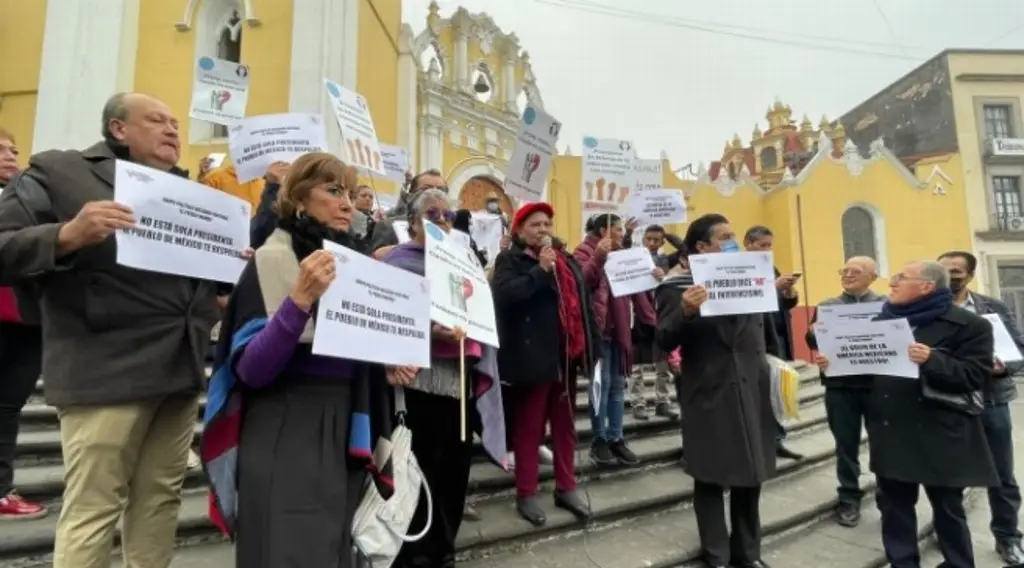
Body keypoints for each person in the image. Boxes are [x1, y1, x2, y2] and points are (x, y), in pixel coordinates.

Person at [0, 92, 219, 567]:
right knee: (93, 508)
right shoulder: (61, 173)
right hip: (104, 369)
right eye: (157, 120)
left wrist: (223, 275)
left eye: (176, 123)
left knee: (160, 501)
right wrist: (65, 235)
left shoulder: (188, 194)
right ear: (119, 129)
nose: (172, 131)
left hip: (177, 371)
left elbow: (198, 285)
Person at [202, 152, 406, 567]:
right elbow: (252, 371)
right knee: (285, 549)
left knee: (331, 552)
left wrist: (389, 361)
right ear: (297, 199)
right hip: (286, 425)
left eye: (350, 193)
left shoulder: (354, 267)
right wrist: (299, 302)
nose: (348, 203)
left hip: (346, 426)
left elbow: (357, 353)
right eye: (333, 191)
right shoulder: (270, 260)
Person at [818, 260, 998, 568]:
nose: (892, 283)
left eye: (901, 278)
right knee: (895, 509)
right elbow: (867, 375)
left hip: (941, 433)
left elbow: (974, 377)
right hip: (893, 431)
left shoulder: (971, 325)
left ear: (926, 286)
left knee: (948, 509)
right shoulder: (881, 321)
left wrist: (931, 360)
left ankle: (958, 563)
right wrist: (835, 363)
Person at [380, 188, 504, 568]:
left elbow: (479, 310)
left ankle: (444, 551)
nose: (441, 221)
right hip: (419, 385)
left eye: (447, 215)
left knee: (455, 471)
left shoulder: (462, 260)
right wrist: (430, 330)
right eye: (432, 215)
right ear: (414, 223)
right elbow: (389, 316)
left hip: (460, 383)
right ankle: (415, 554)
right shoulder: (399, 263)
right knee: (421, 472)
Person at [656, 213, 777, 568]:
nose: (732, 241)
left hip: (751, 387)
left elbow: (765, 327)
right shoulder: (675, 289)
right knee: (710, 475)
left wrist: (784, 296)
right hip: (710, 390)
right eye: (724, 236)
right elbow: (663, 338)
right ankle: (717, 554)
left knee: (751, 473)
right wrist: (686, 312)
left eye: (733, 235)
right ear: (702, 247)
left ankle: (748, 553)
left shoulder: (753, 277)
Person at [491, 202, 598, 526]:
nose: (543, 230)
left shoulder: (566, 260)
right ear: (520, 231)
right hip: (530, 360)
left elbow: (583, 304)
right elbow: (505, 296)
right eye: (535, 224)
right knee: (529, 430)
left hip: (565, 360)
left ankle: (566, 487)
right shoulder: (510, 260)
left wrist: (591, 351)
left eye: (547, 224)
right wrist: (539, 271)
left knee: (566, 430)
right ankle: (527, 492)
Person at [938, 250, 1024, 565]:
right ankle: (950, 536)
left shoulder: (993, 307)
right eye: (943, 271)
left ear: (970, 275)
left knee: (1001, 475)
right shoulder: (929, 310)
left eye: (956, 271)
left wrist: (1005, 366)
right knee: (949, 476)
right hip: (946, 402)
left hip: (992, 400)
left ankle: (1008, 538)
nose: (949, 277)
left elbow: (1018, 350)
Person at [805, 256, 885, 528]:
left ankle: (886, 494)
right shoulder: (828, 306)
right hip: (840, 386)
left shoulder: (886, 305)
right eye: (844, 270)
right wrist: (814, 334)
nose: (848, 275)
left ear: (873, 276)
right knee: (845, 445)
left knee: (883, 444)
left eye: (856, 271)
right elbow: (814, 341)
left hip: (878, 386)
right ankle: (849, 496)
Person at [574, 213, 657, 467]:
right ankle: (599, 440)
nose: (622, 235)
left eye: (622, 231)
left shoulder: (623, 256)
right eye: (618, 230)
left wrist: (653, 277)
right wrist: (599, 256)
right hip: (598, 332)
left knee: (618, 386)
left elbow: (637, 287)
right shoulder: (583, 252)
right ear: (603, 232)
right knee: (601, 385)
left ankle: (616, 438)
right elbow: (583, 282)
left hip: (620, 331)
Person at [0, 127, 47, 520]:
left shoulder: (32, 199)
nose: (10, 156)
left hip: (25, 319)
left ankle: (0, 489)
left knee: (7, 406)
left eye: (13, 149)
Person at [743, 225, 803, 461]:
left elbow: (783, 304)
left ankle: (778, 440)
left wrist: (788, 292)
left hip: (778, 336)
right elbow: (746, 299)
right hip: (757, 340)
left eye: (769, 246)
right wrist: (773, 287)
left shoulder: (771, 268)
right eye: (762, 245)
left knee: (776, 391)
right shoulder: (738, 267)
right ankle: (761, 442)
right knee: (761, 392)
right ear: (748, 243)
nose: (767, 250)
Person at [629, 224, 679, 421]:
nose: (651, 243)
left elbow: (685, 250)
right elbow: (622, 254)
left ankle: (662, 402)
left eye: (656, 239)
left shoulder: (666, 260)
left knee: (663, 366)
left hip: (660, 317)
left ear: (662, 242)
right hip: (639, 318)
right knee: (637, 367)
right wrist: (627, 233)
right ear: (643, 240)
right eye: (648, 238)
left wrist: (668, 234)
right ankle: (638, 403)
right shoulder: (635, 258)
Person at [370, 168, 447, 253]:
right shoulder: (387, 226)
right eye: (426, 189)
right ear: (411, 195)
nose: (434, 194)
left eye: (441, 190)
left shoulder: (453, 231)